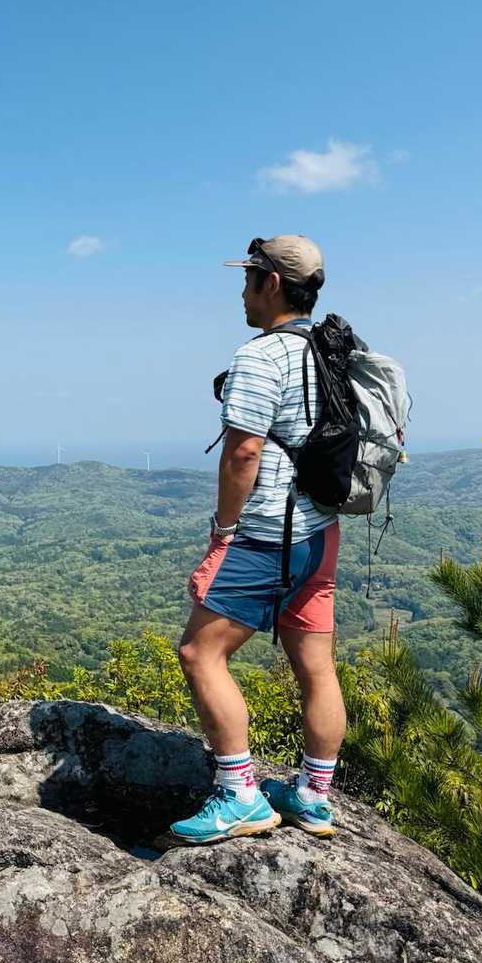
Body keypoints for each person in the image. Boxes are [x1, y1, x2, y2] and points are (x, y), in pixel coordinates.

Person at [166, 235, 343, 845]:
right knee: (315, 665)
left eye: (247, 280)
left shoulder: (261, 357)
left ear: (271, 283)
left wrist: (223, 532)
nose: (242, 293)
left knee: (200, 653)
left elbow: (244, 452)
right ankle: (313, 797)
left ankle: (239, 794)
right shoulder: (331, 351)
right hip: (320, 531)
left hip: (266, 533)